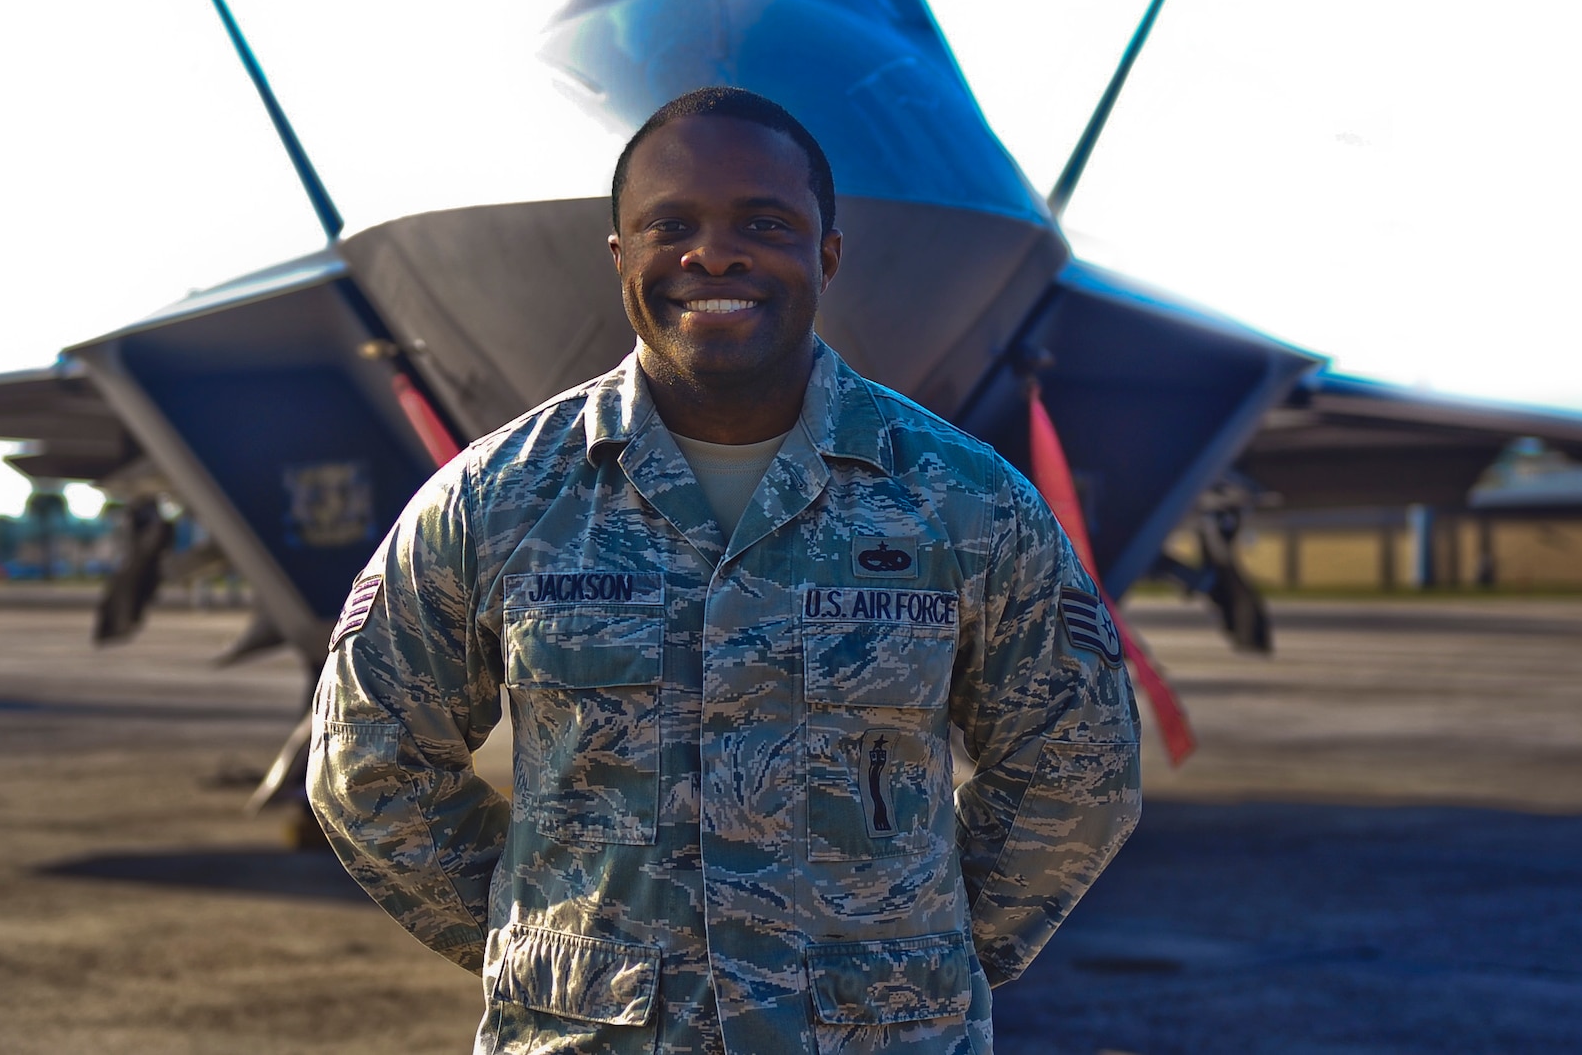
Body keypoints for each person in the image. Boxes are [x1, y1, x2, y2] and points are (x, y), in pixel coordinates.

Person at [309, 87, 1141, 1053]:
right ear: (619, 255)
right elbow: (367, 760)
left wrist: (915, 953)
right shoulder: (499, 500)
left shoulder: (961, 500)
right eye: (672, 224)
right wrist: (551, 943)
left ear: (828, 251)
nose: (713, 254)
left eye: (764, 222)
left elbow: (1078, 762)